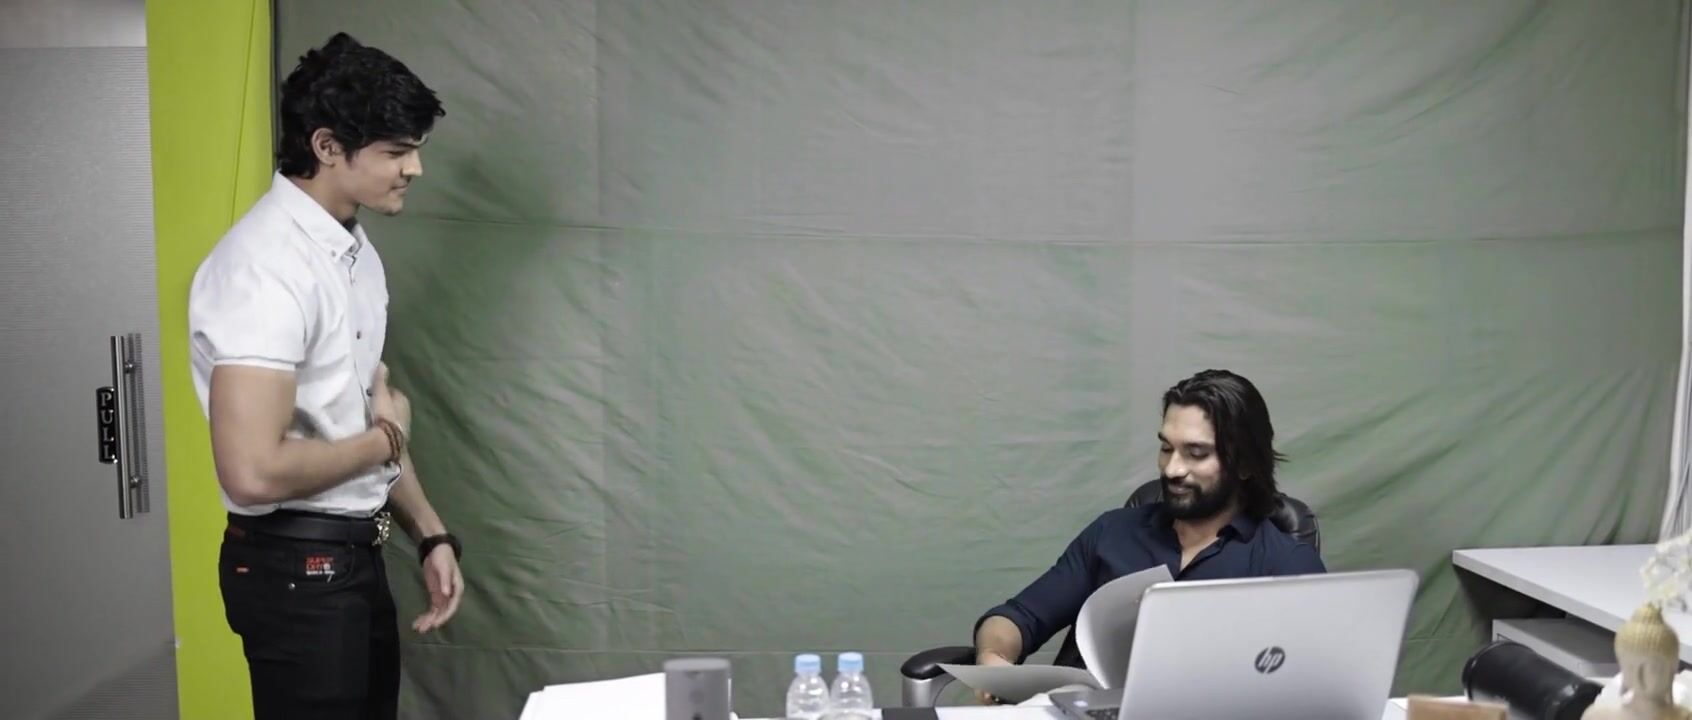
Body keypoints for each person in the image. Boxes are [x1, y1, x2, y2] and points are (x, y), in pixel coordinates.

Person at [187, 32, 461, 720]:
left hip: (351, 560)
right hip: (293, 572)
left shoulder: (353, 254)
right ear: (327, 146)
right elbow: (252, 473)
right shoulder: (264, 269)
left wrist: (430, 533)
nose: (415, 168)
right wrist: (387, 440)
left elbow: (365, 414)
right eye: (396, 151)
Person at [971, 369, 1324, 703]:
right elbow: (1018, 616)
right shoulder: (1113, 532)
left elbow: (1310, 684)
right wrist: (993, 656)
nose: (1172, 469)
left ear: (1245, 464)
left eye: (1196, 453)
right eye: (1166, 448)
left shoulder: (1286, 564)